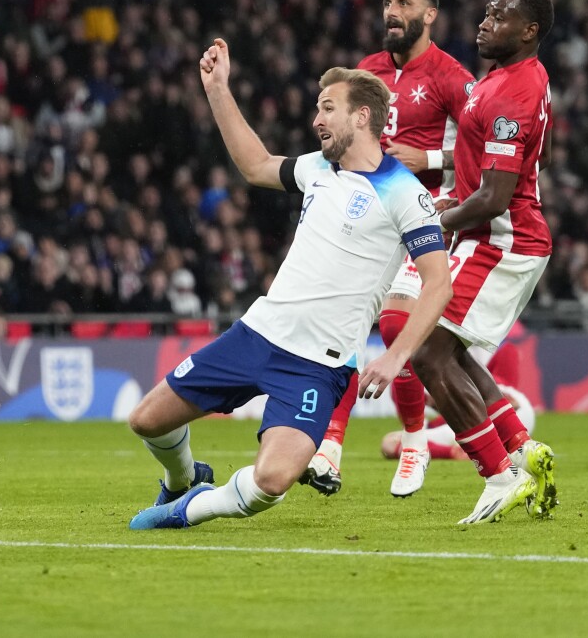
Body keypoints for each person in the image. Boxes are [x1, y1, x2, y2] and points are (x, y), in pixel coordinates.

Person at [126, 41, 453, 531]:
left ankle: (185, 511)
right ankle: (184, 478)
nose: (316, 120)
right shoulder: (317, 168)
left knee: (272, 481)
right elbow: (256, 165)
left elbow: (438, 285)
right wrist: (218, 90)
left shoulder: (406, 192)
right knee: (146, 420)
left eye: (328, 108)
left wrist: (394, 356)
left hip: (318, 365)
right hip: (259, 333)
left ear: (362, 116)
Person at [301, 0, 475, 498]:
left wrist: (431, 158)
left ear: (429, 15)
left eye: (403, 3)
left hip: (426, 211)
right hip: (365, 214)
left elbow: (488, 148)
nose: (391, 11)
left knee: (398, 322)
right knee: (344, 326)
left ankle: (415, 443)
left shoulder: (453, 77)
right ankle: (329, 449)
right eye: (386, 3)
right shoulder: (366, 73)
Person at [413, 0, 557, 523]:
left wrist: (431, 224)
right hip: (489, 236)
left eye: (499, 16)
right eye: (487, 13)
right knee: (447, 352)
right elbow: (512, 163)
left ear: (529, 31)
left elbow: (495, 197)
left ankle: (500, 474)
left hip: (503, 240)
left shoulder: (512, 92)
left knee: (427, 352)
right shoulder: (504, 78)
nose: (484, 22)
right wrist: (455, 194)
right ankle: (521, 449)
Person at [379, 323, 534, 461]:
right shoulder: (438, 422)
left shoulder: (436, 423)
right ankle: (508, 438)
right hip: (510, 411)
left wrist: (448, 452)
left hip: (501, 413)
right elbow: (508, 353)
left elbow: (391, 443)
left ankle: (458, 451)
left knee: (391, 442)